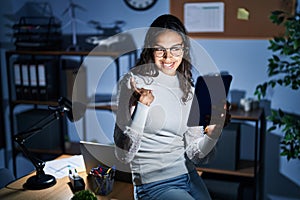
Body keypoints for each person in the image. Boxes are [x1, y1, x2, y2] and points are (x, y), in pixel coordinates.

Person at [114, 14, 230, 200]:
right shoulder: (133, 83)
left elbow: (197, 155)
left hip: (189, 176)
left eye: (176, 49)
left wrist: (212, 134)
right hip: (154, 184)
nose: (168, 57)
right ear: (150, 50)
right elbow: (123, 155)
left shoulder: (188, 89)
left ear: (184, 49)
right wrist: (142, 107)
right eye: (160, 50)